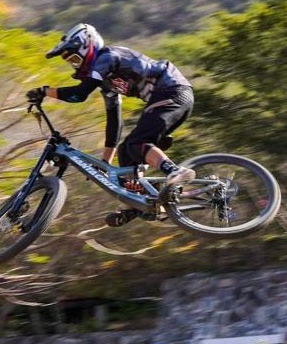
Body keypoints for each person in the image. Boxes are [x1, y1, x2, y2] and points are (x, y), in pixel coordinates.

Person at [26, 22, 196, 211]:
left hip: (172, 91)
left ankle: (175, 171)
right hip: (170, 97)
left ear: (88, 46)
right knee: (125, 152)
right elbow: (114, 122)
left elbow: (79, 94)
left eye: (75, 58)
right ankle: (144, 202)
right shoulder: (107, 82)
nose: (75, 65)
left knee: (137, 142)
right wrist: (105, 163)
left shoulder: (107, 57)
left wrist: (44, 91)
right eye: (71, 62)